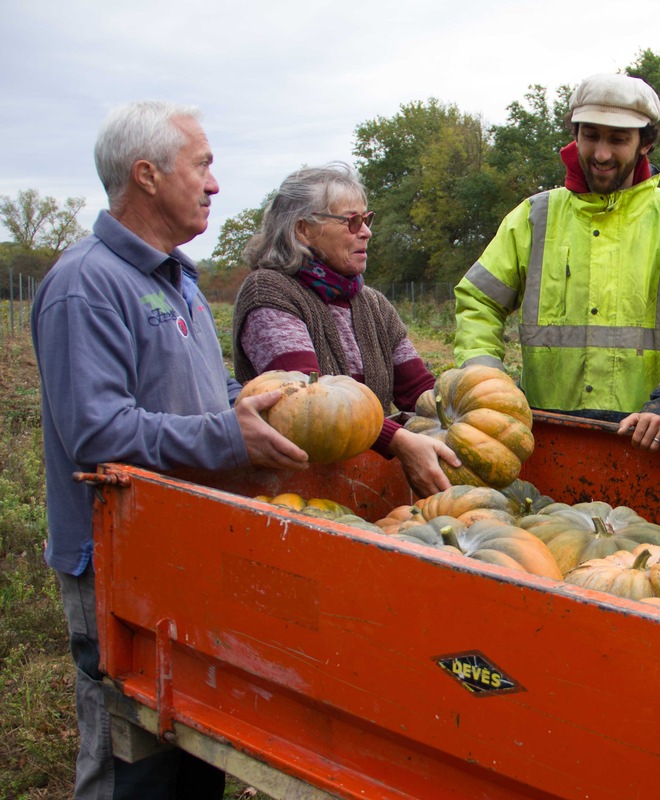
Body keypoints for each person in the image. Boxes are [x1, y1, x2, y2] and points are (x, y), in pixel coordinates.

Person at [32, 101, 309, 800]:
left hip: (184, 543)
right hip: (118, 559)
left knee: (195, 741)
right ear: (147, 175)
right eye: (204, 165)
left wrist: (241, 401)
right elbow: (95, 433)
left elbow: (196, 390)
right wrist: (226, 435)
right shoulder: (85, 284)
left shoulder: (178, 277)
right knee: (131, 754)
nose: (216, 184)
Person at [453, 72, 660, 451]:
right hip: (547, 432)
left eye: (618, 139)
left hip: (650, 438)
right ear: (575, 135)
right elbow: (479, 301)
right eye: (591, 136)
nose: (601, 154)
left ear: (644, 144)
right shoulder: (534, 216)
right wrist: (485, 383)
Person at [231, 163, 457, 498]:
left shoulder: (373, 304)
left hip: (366, 486)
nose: (365, 232)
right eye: (352, 221)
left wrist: (463, 415)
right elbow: (310, 407)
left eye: (367, 220)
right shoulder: (269, 292)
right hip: (296, 494)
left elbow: (422, 394)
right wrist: (398, 439)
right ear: (304, 230)